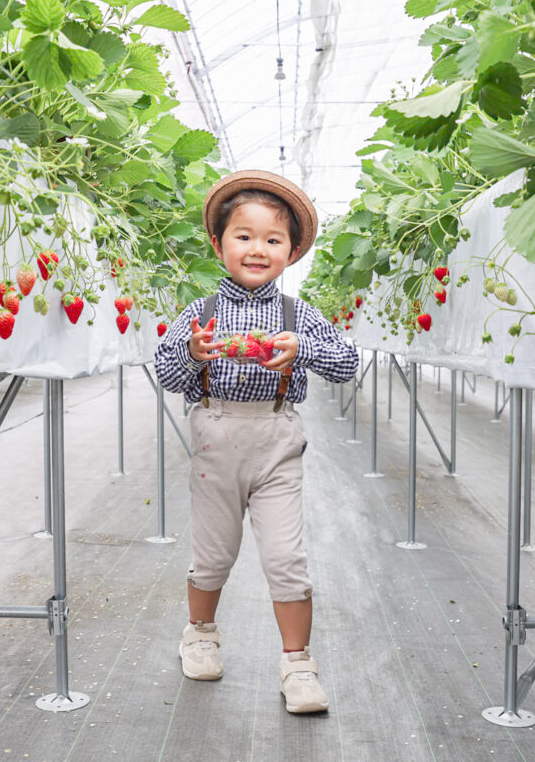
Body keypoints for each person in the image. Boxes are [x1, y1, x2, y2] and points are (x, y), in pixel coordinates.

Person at [154, 169, 358, 714]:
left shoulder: (300, 317)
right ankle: (199, 633)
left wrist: (303, 352)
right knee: (214, 553)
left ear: (291, 253)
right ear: (219, 244)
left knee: (286, 556)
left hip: (276, 439)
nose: (258, 248)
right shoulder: (198, 317)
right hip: (216, 437)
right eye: (244, 236)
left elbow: (347, 364)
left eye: (273, 240)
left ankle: (298, 665)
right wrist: (194, 355)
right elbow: (166, 376)